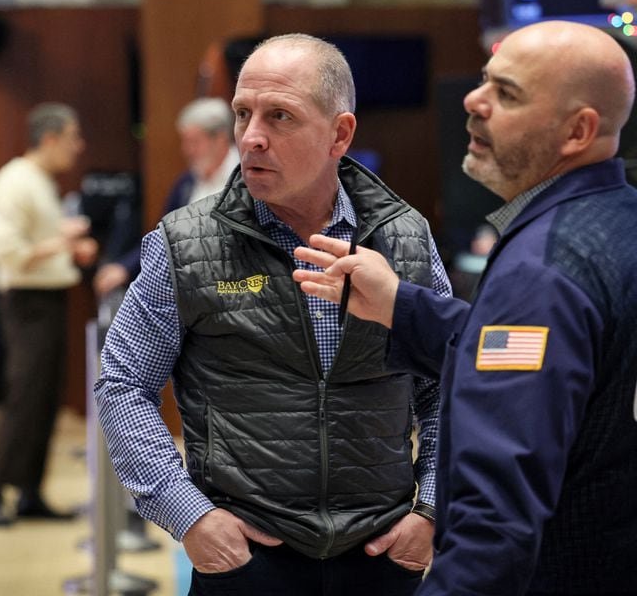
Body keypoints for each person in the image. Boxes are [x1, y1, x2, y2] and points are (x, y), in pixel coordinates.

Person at [95, 33, 452, 595]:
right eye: (243, 113)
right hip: (244, 558)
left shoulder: (403, 238)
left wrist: (432, 508)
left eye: (280, 116)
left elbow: (444, 387)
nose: (252, 137)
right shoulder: (186, 242)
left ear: (341, 134)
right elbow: (123, 382)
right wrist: (186, 513)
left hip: (383, 555)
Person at [293, 21, 637, 595]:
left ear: (579, 130)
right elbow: (552, 362)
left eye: (508, 94)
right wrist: (402, 307)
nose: (473, 102)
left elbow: (494, 522)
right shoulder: (620, 218)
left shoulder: (541, 272)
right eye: (485, 81)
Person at [0, 102, 98, 525]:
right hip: (26, 303)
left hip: (48, 300)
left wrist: (64, 245)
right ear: (49, 139)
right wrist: (63, 242)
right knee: (25, 396)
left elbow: (40, 244)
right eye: (72, 138)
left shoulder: (39, 181)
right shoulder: (15, 181)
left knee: (46, 399)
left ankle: (30, 491)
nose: (78, 147)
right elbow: (9, 252)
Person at [93, 96, 240, 298]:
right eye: (185, 142)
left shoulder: (246, 179)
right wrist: (125, 267)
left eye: (194, 142)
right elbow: (163, 237)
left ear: (221, 138)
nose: (186, 150)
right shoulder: (187, 182)